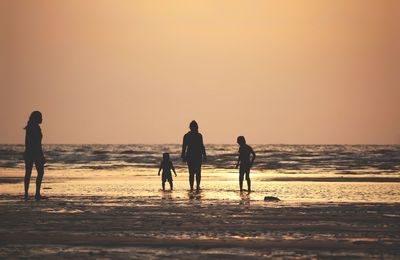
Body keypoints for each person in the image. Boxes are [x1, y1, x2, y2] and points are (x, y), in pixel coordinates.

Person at [24, 111, 46, 201]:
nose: (42, 119)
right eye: (40, 117)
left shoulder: (30, 127)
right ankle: (36, 193)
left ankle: (26, 194)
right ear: (36, 118)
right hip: (35, 152)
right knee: (40, 172)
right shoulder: (35, 128)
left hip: (28, 152)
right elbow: (37, 144)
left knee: (28, 173)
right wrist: (41, 155)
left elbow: (27, 143)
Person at [181, 120, 206, 192]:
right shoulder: (197, 135)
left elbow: (184, 147)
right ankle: (195, 186)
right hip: (195, 155)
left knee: (192, 173)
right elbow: (184, 146)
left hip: (192, 155)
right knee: (196, 172)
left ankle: (194, 187)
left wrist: (183, 156)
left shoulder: (188, 135)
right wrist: (204, 155)